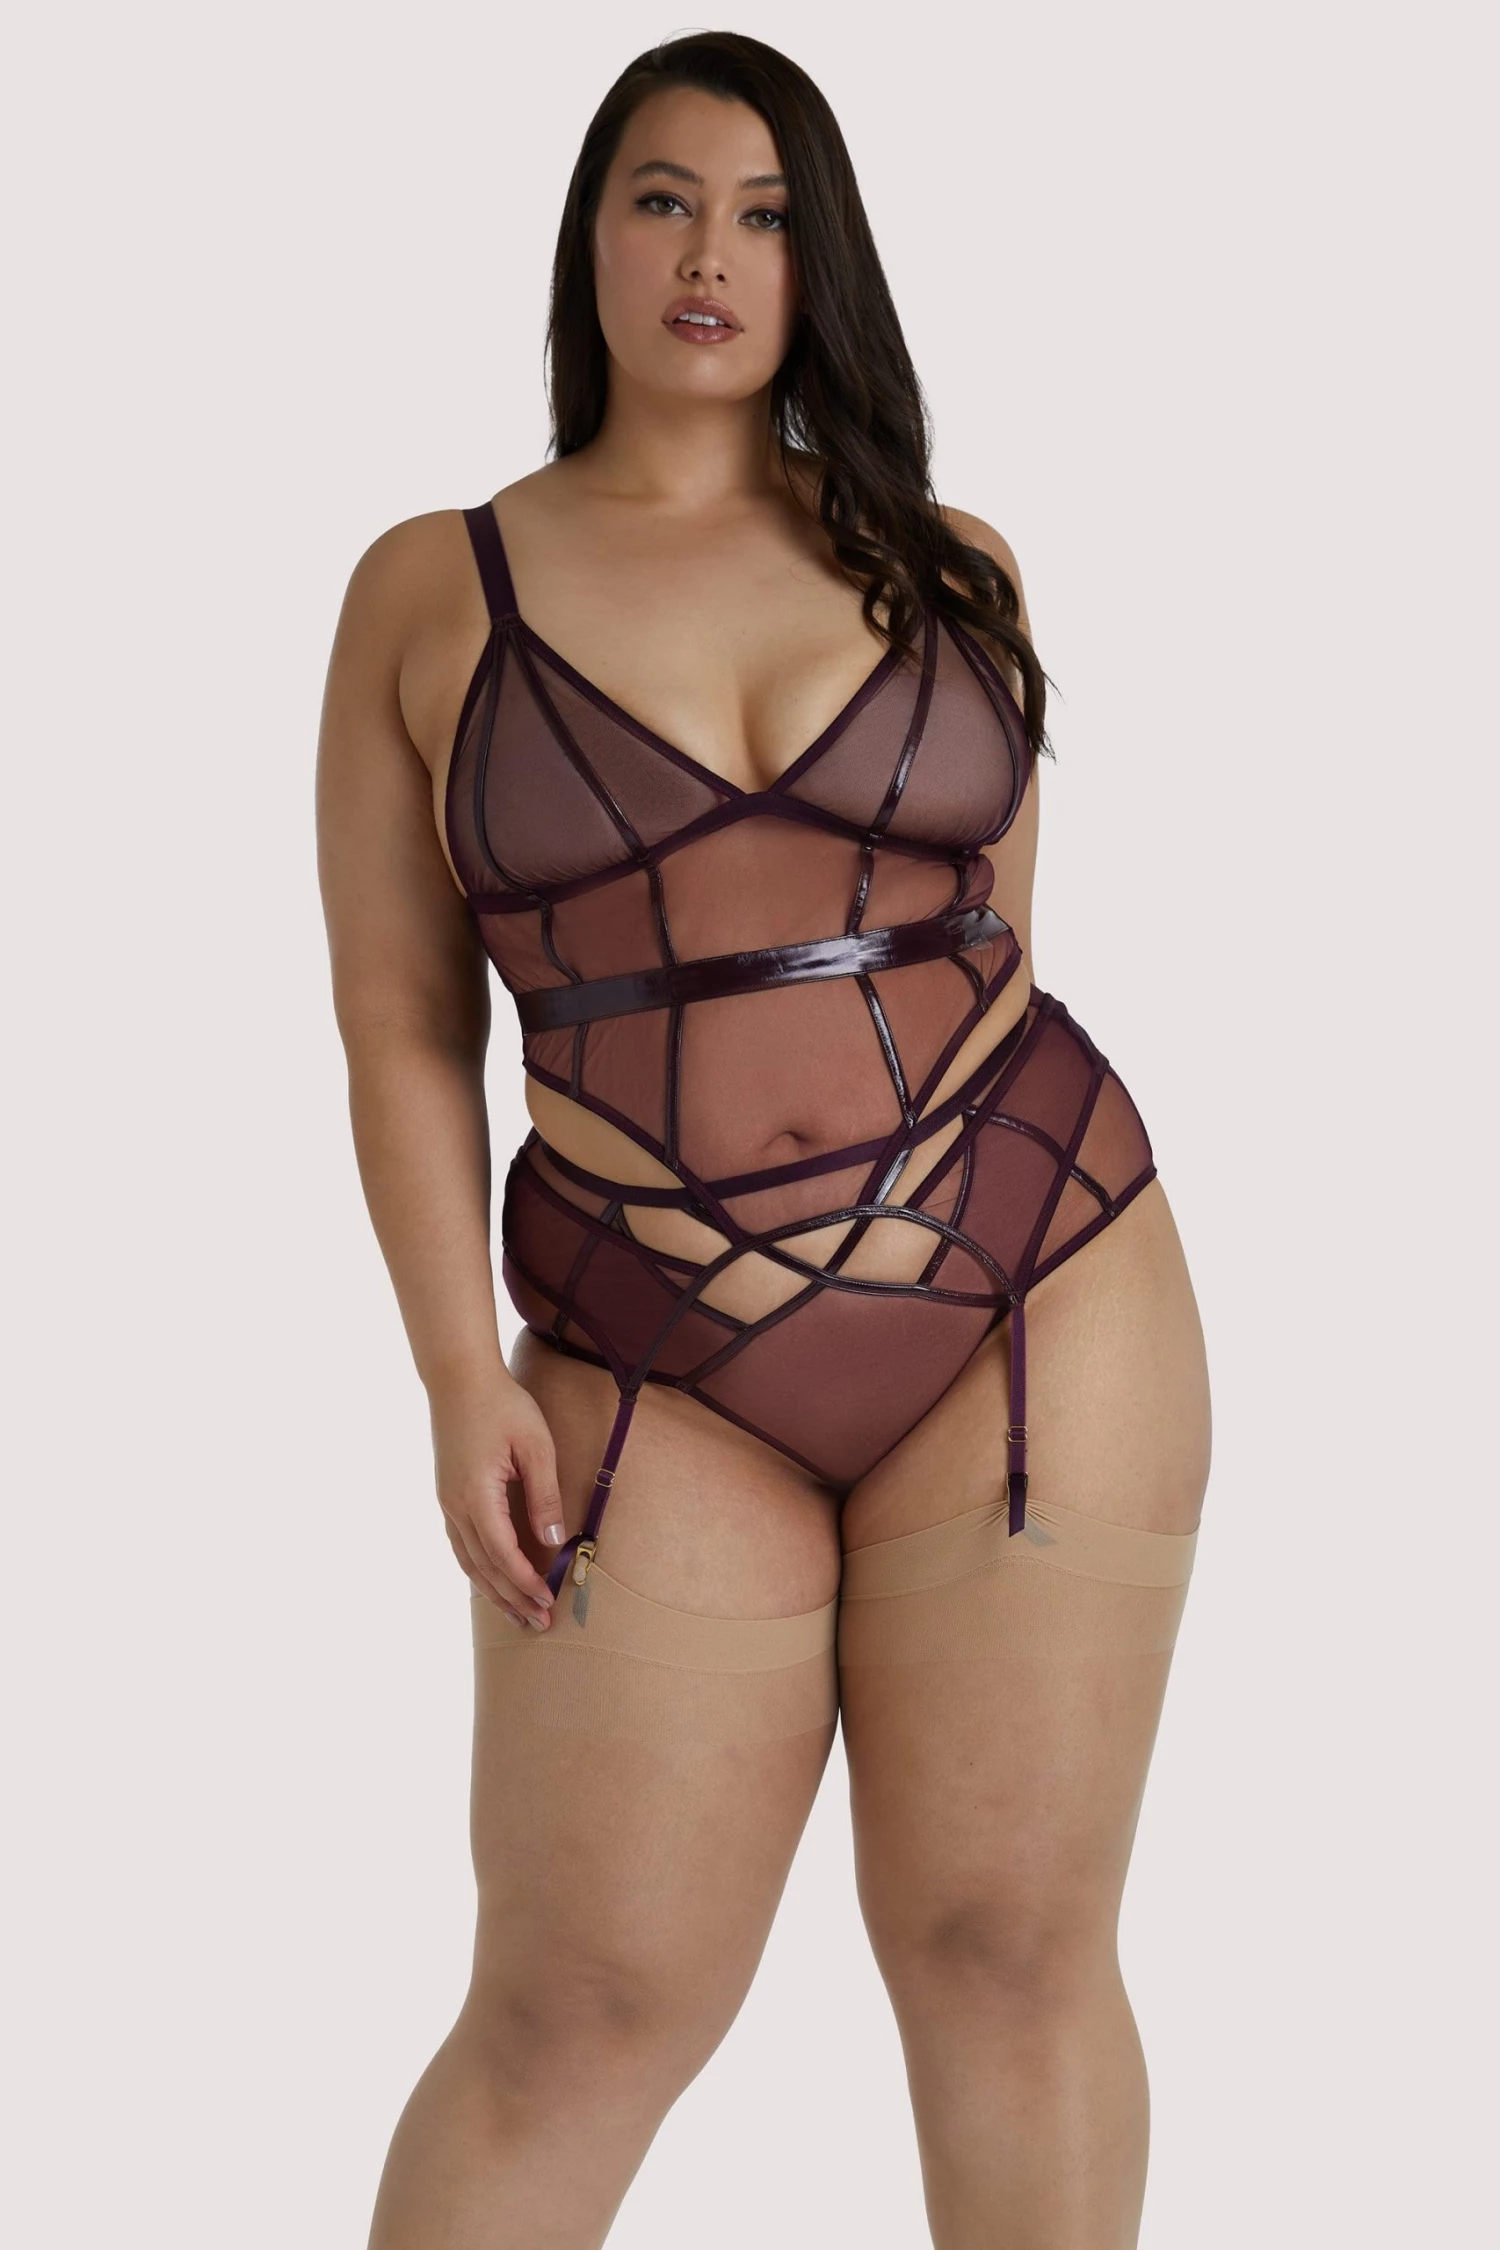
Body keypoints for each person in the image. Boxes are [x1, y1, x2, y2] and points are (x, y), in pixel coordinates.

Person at [316, 30, 1212, 2249]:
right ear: (590, 242)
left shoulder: (952, 564)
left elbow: (995, 948)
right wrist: (453, 1374)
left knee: (1009, 1954)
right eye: (662, 199)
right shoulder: (435, 587)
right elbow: (402, 1022)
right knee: (576, 2012)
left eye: (765, 214)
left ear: (826, 267)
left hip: (1030, 1287)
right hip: (647, 1347)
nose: (710, 255)